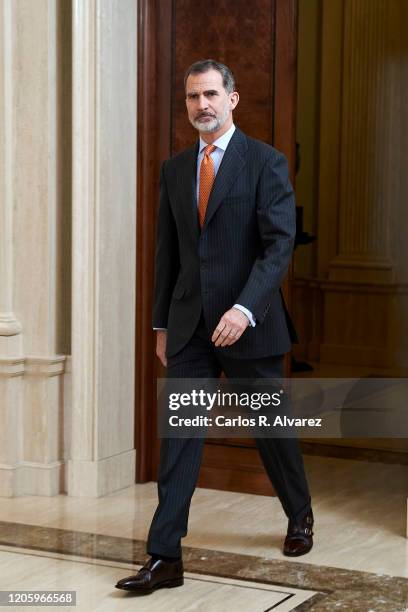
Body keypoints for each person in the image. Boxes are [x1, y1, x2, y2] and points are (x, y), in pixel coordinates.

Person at [116, 59, 313, 595]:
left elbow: (278, 247)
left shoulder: (265, 163)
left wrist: (244, 308)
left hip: (249, 323)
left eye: (209, 94)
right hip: (189, 330)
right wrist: (161, 325)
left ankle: (299, 514)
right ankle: (164, 557)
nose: (200, 105)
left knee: (272, 430)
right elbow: (168, 255)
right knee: (178, 437)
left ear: (233, 98)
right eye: (191, 97)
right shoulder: (176, 169)